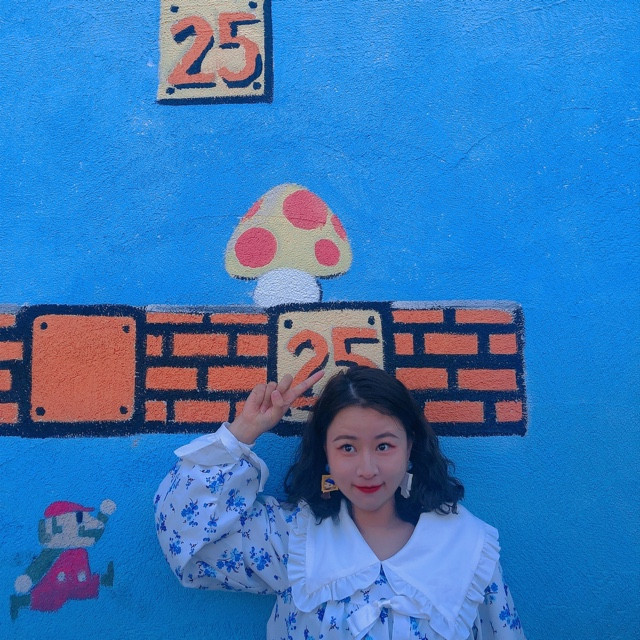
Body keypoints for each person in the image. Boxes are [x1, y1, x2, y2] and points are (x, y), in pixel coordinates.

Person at [154, 366, 525, 640]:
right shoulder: (293, 539)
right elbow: (188, 538)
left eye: (384, 446)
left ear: (410, 446)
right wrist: (242, 433)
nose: (367, 469)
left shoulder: (467, 548)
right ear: (326, 453)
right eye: (347, 447)